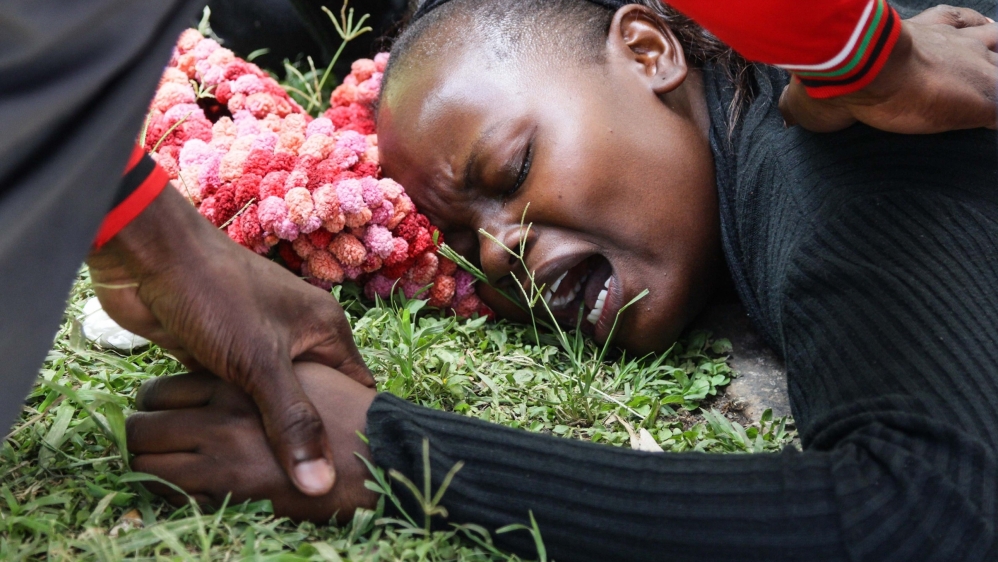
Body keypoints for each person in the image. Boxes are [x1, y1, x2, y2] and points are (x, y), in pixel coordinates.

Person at [1, 0, 994, 526]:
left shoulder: (845, 164)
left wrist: (399, 456)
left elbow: (929, 510)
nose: (500, 251)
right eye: (466, 242)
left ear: (649, 50)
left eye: (511, 171)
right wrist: (152, 232)